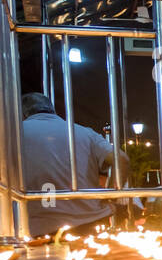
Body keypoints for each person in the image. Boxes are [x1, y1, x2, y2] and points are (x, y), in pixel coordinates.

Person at [19, 92, 128, 236]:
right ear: (52, 110)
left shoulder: (14, 134)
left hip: (32, 227)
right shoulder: (84, 132)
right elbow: (122, 159)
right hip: (87, 221)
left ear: (22, 113)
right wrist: (110, 195)